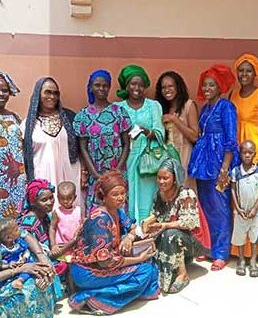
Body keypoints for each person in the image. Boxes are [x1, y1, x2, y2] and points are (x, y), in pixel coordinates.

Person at [68, 171, 159, 315]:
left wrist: (129, 237)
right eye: (115, 194)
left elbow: (133, 228)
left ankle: (122, 293)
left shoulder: (117, 211)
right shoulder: (100, 220)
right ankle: (91, 297)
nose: (121, 198)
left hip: (107, 262)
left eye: (123, 193)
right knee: (145, 271)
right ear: (104, 196)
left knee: (150, 266)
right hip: (87, 272)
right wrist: (139, 258)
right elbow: (106, 262)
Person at [188, 64, 239, 271]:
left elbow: (230, 139)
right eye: (205, 85)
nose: (207, 88)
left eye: (212, 85)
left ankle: (220, 252)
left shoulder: (226, 107)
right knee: (206, 205)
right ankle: (207, 247)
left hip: (219, 163)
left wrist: (225, 168)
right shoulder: (207, 108)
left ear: (220, 87)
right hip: (204, 163)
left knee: (220, 207)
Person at [145, 159, 208, 293]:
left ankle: (182, 275)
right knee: (150, 235)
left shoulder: (186, 194)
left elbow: (190, 222)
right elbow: (156, 214)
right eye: (159, 178)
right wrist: (147, 223)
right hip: (176, 233)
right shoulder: (159, 194)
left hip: (195, 241)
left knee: (170, 234)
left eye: (165, 178)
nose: (161, 181)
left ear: (174, 179)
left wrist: (165, 225)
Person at [73, 69, 131, 214]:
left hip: (117, 171)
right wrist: (95, 174)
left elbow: (126, 143)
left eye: (105, 86)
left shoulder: (119, 112)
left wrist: (118, 170)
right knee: (97, 211)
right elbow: (83, 148)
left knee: (119, 208)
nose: (101, 89)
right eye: (97, 85)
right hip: (96, 173)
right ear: (91, 87)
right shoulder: (83, 116)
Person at [230, 54, 258, 261]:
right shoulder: (232, 94)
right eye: (240, 70)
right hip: (237, 147)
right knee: (238, 195)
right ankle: (238, 250)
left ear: (255, 74)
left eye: (248, 71)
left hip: (253, 149)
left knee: (254, 198)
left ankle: (257, 251)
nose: (244, 74)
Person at [21, 77, 82, 207]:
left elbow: (80, 148)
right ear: (38, 94)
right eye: (47, 92)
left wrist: (84, 173)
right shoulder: (27, 125)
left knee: (71, 214)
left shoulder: (70, 118)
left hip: (69, 175)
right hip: (43, 177)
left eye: (55, 93)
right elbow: (24, 157)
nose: (52, 96)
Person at [116, 65, 165, 222]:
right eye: (133, 84)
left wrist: (148, 132)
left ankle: (147, 232)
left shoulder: (153, 106)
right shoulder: (117, 108)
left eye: (141, 84)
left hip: (147, 158)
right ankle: (129, 231)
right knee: (126, 193)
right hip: (125, 158)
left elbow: (160, 131)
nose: (137, 88)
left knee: (148, 195)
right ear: (127, 85)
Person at [0, 240, 57, 318]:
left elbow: (25, 235)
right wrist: (17, 269)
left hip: (17, 268)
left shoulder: (14, 237)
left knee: (39, 271)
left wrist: (43, 262)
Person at [18, 179, 64, 297]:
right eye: (44, 200)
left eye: (51, 197)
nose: (50, 202)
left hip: (46, 255)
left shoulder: (46, 216)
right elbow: (30, 252)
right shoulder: (29, 222)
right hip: (32, 260)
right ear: (33, 202)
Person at [155, 71, 199, 189]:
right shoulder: (162, 108)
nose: (167, 90)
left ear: (178, 87)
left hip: (184, 156)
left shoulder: (189, 105)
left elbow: (195, 137)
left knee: (184, 191)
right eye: (163, 87)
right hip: (166, 157)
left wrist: (174, 119)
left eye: (170, 86)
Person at [231, 140, 258, 278]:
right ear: (240, 153)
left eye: (250, 152)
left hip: (255, 213)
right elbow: (233, 190)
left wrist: (255, 208)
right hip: (240, 212)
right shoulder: (236, 171)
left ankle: (253, 261)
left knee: (254, 238)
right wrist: (238, 208)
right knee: (240, 237)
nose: (247, 155)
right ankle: (241, 260)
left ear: (254, 154)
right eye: (244, 152)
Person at [0, 72, 26, 218]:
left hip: (16, 181)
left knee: (15, 221)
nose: (1, 94)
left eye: (5, 90)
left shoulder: (14, 117)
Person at [49, 181, 82, 265]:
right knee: (65, 266)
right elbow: (52, 228)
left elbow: (82, 226)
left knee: (75, 265)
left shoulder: (79, 211)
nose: (65, 201)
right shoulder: (57, 212)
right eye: (62, 198)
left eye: (69, 198)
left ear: (74, 198)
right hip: (62, 247)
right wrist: (53, 245)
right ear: (57, 197)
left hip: (76, 247)